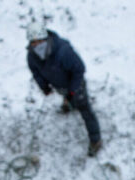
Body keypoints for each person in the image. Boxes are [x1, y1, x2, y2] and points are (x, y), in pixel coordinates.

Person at [25, 22, 103, 157]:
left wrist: (73, 90)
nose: (36, 45)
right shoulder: (32, 56)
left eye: (39, 41)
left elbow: (79, 70)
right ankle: (68, 103)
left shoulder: (63, 51)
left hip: (76, 86)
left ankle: (95, 140)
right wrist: (44, 87)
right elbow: (36, 72)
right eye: (33, 42)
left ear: (45, 38)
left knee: (85, 110)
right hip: (59, 85)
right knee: (66, 96)